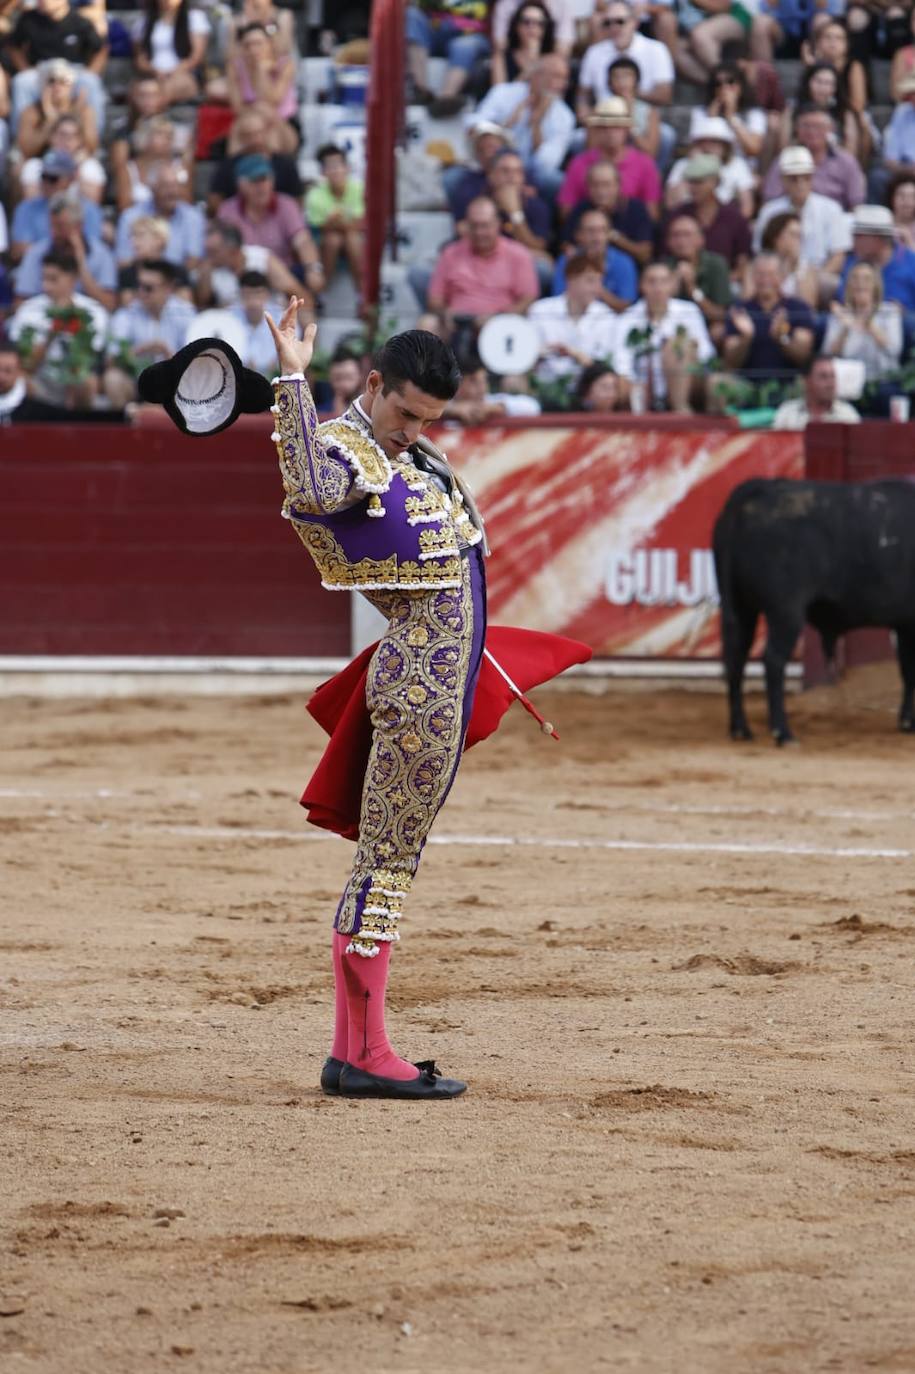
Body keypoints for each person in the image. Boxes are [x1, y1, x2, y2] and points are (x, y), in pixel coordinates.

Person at [247, 309, 585, 1098]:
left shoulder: (410, 451)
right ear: (371, 386)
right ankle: (361, 1055)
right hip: (418, 687)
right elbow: (309, 483)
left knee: (393, 863)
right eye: (404, 414)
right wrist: (291, 380)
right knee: (387, 866)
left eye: (428, 420)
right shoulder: (341, 447)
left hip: (442, 675)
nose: (411, 433)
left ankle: (353, 1049)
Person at [424, 195, 539, 342]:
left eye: (484, 226)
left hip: (501, 325)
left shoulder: (518, 254)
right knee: (427, 325)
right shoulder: (451, 253)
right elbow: (434, 299)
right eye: (474, 226)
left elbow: (528, 299)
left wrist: (499, 319)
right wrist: (445, 313)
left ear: (498, 224)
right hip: (457, 325)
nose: (479, 233)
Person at [8, 248, 108, 408]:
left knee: (87, 380)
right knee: (19, 379)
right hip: (40, 378)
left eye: (53, 279)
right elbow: (25, 364)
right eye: (44, 278)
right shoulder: (28, 310)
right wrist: (51, 333)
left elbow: (90, 360)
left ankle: (80, 428)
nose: (46, 286)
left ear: (72, 278)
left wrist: (71, 323)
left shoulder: (93, 311)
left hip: (75, 380)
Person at [614, 260, 715, 411]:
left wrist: (690, 347)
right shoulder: (627, 318)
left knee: (677, 346)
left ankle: (680, 408)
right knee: (619, 383)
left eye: (664, 281)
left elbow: (707, 354)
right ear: (641, 286)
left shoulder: (689, 311)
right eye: (652, 282)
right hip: (643, 386)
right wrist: (632, 383)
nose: (658, 288)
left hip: (688, 382)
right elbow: (621, 362)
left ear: (673, 285)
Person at [468, 55, 575, 194]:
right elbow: (473, 124)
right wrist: (506, 126)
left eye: (563, 78)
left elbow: (545, 165)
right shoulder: (504, 92)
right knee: (452, 178)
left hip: (530, 174)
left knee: (555, 180)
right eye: (555, 76)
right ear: (535, 75)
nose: (561, 84)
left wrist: (536, 125)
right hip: (493, 166)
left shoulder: (564, 116)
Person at [717, 252, 816, 404]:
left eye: (771, 274)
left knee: (805, 385)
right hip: (747, 386)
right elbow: (730, 362)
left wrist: (781, 338)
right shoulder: (740, 310)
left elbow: (803, 356)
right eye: (760, 274)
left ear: (782, 277)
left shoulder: (798, 308)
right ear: (753, 278)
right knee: (717, 383)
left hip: (788, 385)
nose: (765, 280)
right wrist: (746, 338)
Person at [216, 156, 323, 293]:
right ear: (241, 185)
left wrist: (313, 267)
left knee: (302, 285)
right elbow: (222, 252)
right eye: (255, 181)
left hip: (283, 277)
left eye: (265, 179)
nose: (262, 187)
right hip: (242, 280)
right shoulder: (227, 211)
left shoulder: (287, 205)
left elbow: (302, 241)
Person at [103, 257, 195, 407]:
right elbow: (111, 361)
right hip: (137, 383)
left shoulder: (185, 314)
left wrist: (168, 354)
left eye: (148, 288)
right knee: (112, 378)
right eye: (138, 286)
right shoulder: (126, 314)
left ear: (168, 288)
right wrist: (141, 350)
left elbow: (197, 362)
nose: (141, 292)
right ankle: (128, 426)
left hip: (177, 383)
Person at [6, 0, 107, 133]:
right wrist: (25, 68)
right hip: (41, 70)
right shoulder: (29, 19)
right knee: (22, 81)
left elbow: (100, 49)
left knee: (90, 81)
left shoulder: (79, 20)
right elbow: (13, 46)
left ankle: (95, 138)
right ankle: (20, 138)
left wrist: (92, 71)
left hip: (73, 71)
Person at [753, 145, 852, 280]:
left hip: (819, 273)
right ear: (783, 180)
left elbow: (838, 256)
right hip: (776, 275)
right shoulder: (769, 211)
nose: (800, 183)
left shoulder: (831, 209)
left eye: (806, 177)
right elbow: (760, 251)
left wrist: (815, 279)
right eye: (794, 178)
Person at [558, 97, 662, 218]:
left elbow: (652, 215)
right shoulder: (579, 163)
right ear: (597, 131)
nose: (611, 132)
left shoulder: (645, 164)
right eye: (604, 127)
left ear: (627, 130)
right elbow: (566, 212)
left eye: (617, 126)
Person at [14, 191, 116, 312]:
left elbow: (109, 306)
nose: (54, 233)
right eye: (51, 226)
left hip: (86, 322)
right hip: (45, 318)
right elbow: (20, 303)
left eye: (60, 227)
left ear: (78, 226)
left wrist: (81, 263)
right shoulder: (37, 253)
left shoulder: (101, 254)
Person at [529, 253, 620, 385]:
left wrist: (575, 354)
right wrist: (547, 352)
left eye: (599, 282)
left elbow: (605, 366)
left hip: (588, 389)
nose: (597, 289)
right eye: (590, 281)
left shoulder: (607, 316)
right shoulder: (540, 310)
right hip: (545, 385)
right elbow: (528, 355)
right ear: (571, 280)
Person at [576, 1, 674, 117]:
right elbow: (583, 94)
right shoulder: (594, 52)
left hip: (644, 122)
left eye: (620, 21)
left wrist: (628, 93)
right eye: (608, 23)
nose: (614, 27)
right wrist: (585, 114)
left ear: (635, 22)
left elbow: (665, 95)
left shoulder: (657, 49)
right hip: (603, 122)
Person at [760, 105, 866, 211]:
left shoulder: (846, 162)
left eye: (818, 126)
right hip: (793, 220)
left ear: (830, 129)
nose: (812, 131)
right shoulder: (784, 159)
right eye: (806, 126)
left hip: (835, 221)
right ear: (796, 129)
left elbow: (856, 204)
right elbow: (770, 200)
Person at [9, 148, 104, 263]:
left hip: (79, 270)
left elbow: (91, 252)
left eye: (52, 179)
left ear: (70, 179)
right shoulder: (26, 208)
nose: (46, 183)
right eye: (43, 176)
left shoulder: (89, 210)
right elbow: (19, 251)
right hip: (36, 268)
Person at [207, 107, 304, 216]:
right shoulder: (228, 166)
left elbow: (298, 201)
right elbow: (214, 200)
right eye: (248, 135)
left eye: (258, 133)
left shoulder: (286, 164)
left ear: (267, 132)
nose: (255, 140)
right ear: (241, 138)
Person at [558, 157, 653, 267]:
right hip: (587, 268)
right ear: (587, 187)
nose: (601, 191)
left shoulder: (636, 209)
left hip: (627, 269)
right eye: (595, 185)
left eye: (606, 185)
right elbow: (565, 243)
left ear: (618, 185)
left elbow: (645, 254)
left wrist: (614, 238)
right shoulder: (581, 209)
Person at [823, 261, 904, 385]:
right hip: (848, 382)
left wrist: (867, 320)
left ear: (875, 285)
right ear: (848, 285)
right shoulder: (840, 315)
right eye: (855, 278)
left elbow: (894, 349)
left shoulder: (889, 311)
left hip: (883, 380)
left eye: (866, 279)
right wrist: (845, 327)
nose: (860, 283)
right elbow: (828, 355)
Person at [406, 0, 491, 118]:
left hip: (471, 35)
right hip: (433, 32)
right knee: (411, 15)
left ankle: (446, 99)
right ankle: (421, 91)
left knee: (464, 46)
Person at [194, 219, 303, 311]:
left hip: (269, 320)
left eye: (214, 252)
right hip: (232, 327)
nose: (209, 257)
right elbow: (202, 306)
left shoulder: (263, 260)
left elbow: (298, 294)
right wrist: (205, 275)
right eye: (208, 252)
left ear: (232, 250)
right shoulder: (211, 269)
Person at [226, 21, 299, 156]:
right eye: (247, 45)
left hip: (283, 121)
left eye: (258, 43)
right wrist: (258, 109)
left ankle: (271, 169)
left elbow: (274, 100)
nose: (253, 50)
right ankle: (235, 171)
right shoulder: (235, 66)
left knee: (270, 131)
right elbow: (237, 107)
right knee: (245, 128)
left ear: (270, 44)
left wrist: (261, 71)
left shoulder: (285, 64)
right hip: (249, 120)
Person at [670, 153, 752, 273]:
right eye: (691, 182)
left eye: (699, 182)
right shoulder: (678, 216)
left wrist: (722, 282)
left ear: (715, 182)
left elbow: (743, 261)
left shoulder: (734, 218)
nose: (693, 187)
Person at [115, 163, 205, 271]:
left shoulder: (193, 217)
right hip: (138, 279)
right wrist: (145, 258)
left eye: (176, 185)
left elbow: (194, 260)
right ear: (152, 188)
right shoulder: (130, 217)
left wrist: (167, 280)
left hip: (179, 281)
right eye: (166, 186)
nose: (173, 192)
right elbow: (122, 262)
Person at [664, 115, 755, 218]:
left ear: (725, 146)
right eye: (703, 141)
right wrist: (694, 167)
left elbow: (747, 207)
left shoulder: (737, 165)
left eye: (714, 142)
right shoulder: (682, 165)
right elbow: (670, 204)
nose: (708, 146)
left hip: (726, 223)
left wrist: (732, 226)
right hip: (688, 221)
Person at [14, 58, 98, 167]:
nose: (57, 86)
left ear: (72, 85)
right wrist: (50, 121)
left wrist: (75, 116)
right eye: (51, 81)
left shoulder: (84, 110)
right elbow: (27, 151)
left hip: (75, 162)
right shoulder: (31, 111)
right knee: (24, 168)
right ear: (43, 84)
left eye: (64, 81)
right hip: (40, 162)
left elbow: (91, 148)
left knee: (89, 169)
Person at [551, 207, 638, 311]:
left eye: (602, 230)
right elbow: (559, 302)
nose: (597, 238)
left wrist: (596, 288)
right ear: (579, 235)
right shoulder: (567, 261)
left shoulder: (623, 262)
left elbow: (625, 307)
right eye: (591, 231)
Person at [305, 145, 366, 293]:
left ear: (347, 168)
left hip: (353, 239)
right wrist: (344, 224)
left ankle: (360, 292)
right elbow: (319, 227)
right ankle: (361, 293)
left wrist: (335, 223)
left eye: (339, 165)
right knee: (334, 240)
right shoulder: (314, 194)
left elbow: (360, 223)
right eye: (330, 167)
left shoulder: (360, 189)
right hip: (328, 242)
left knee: (351, 238)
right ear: (323, 172)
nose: (335, 171)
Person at [664, 210, 730, 342]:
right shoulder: (663, 266)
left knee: (719, 329)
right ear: (668, 242)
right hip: (669, 326)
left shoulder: (716, 265)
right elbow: (656, 307)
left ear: (701, 239)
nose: (681, 241)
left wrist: (692, 289)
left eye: (687, 235)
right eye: (676, 235)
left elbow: (720, 315)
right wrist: (674, 283)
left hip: (705, 325)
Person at [131, 0, 211, 108]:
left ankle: (155, 121)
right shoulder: (144, 22)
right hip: (153, 74)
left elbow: (196, 56)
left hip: (183, 74)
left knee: (161, 90)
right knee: (142, 89)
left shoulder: (194, 18)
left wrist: (172, 72)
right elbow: (140, 59)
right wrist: (155, 71)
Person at [110, 112, 194, 213]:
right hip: (139, 224)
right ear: (144, 137)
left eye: (169, 136)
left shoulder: (180, 167)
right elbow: (124, 208)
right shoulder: (128, 170)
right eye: (160, 134)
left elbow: (186, 203)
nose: (167, 140)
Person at [17, 109, 105, 205]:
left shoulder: (89, 167)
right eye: (62, 135)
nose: (67, 140)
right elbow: (32, 206)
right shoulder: (34, 166)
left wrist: (75, 171)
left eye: (73, 136)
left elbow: (91, 208)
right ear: (51, 137)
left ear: (80, 140)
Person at [839, 203, 915, 312]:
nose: (853, 241)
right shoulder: (851, 262)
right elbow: (843, 300)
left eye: (859, 236)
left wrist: (903, 316)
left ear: (880, 238)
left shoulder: (911, 264)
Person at [691, 62, 767, 163]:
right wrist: (711, 119)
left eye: (730, 82)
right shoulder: (700, 112)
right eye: (718, 84)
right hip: (709, 167)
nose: (724, 88)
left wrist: (731, 117)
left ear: (741, 85)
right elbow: (696, 149)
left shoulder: (754, 114)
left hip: (742, 167)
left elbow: (753, 149)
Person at [441, 352, 542, 419]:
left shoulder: (492, 402)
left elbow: (533, 407)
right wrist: (452, 410)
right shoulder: (443, 403)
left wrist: (494, 408)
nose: (482, 388)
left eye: (484, 381)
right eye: (474, 382)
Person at [771, 356, 861, 428]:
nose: (830, 383)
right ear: (806, 381)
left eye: (833, 376)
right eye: (823, 377)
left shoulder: (848, 415)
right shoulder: (787, 413)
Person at [756, 210, 819, 308]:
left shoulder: (804, 268)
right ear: (776, 237)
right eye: (793, 234)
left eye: (799, 236)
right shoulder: (757, 264)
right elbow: (748, 299)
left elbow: (808, 306)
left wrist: (797, 268)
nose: (797, 241)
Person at [606, 54, 660, 160]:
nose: (622, 81)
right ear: (609, 83)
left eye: (627, 76)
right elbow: (592, 150)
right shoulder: (602, 108)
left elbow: (651, 152)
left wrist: (630, 124)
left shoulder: (649, 111)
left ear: (637, 80)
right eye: (616, 76)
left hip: (639, 162)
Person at [227, 269, 278, 376]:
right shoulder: (229, 317)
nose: (253, 301)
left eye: (258, 294)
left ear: (267, 295)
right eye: (248, 295)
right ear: (240, 295)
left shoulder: (281, 317)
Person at [888, 170, 915, 250]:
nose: (907, 201)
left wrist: (909, 241)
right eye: (901, 195)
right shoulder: (883, 223)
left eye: (912, 197)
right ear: (892, 198)